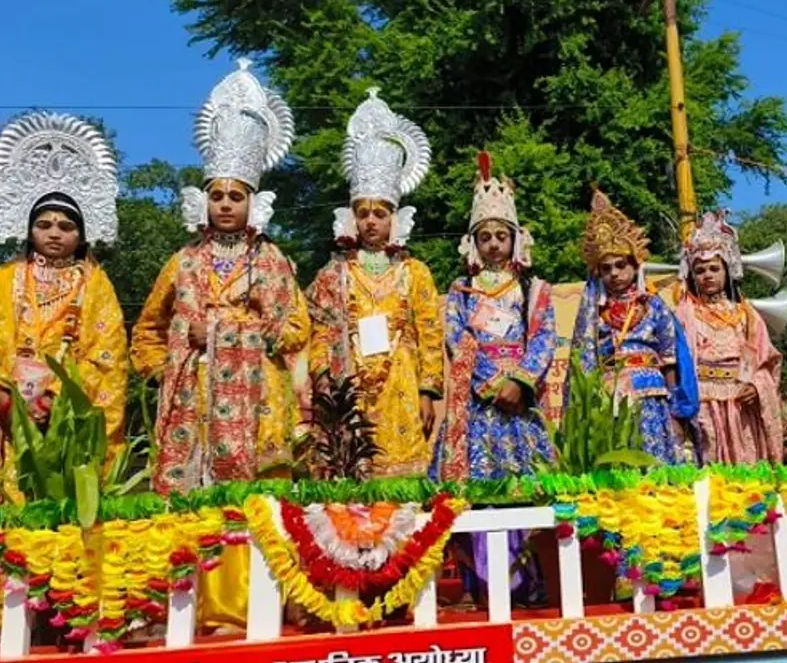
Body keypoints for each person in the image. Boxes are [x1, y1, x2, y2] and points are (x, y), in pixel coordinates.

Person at [131, 59, 310, 494]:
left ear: (253, 203)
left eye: (235, 196)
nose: (226, 204)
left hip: (258, 401)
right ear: (203, 201)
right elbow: (147, 333)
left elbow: (297, 329)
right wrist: (171, 371)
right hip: (193, 403)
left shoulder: (272, 260)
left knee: (259, 514)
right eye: (217, 196)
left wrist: (217, 332)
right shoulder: (183, 262)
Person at [0, 112, 127, 507]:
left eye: (66, 226)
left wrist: (56, 399)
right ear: (29, 228)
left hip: (66, 424)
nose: (54, 233)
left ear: (81, 234)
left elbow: (108, 357)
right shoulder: (1, 281)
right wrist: (3, 396)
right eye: (44, 224)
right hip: (3, 417)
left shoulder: (95, 287)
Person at [430, 152, 558, 608]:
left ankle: (524, 586)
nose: (494, 245)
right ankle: (477, 587)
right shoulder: (461, 292)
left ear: (515, 240)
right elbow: (455, 337)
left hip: (519, 407)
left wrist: (520, 382)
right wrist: (489, 383)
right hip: (478, 407)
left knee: (520, 493)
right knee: (476, 495)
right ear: (473, 243)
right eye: (485, 237)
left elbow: (544, 337)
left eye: (502, 236)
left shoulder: (531, 290)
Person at [305, 88, 443, 478]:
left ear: (394, 218)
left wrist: (427, 392)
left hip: (400, 380)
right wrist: (325, 377)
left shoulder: (415, 271)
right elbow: (314, 328)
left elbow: (431, 333)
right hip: (349, 384)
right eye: (363, 212)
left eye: (379, 213)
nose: (370, 221)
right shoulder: (333, 273)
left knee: (400, 481)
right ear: (351, 218)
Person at [569, 190, 698, 465]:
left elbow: (669, 358)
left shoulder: (654, 305)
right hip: (610, 398)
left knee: (656, 466)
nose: (614, 273)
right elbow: (584, 360)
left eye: (620, 265)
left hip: (652, 394)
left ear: (635, 265)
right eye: (606, 268)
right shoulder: (594, 312)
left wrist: (676, 407)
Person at [673, 210, 783, 465]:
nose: (708, 275)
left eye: (714, 268)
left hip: (740, 404)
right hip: (702, 404)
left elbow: (768, 362)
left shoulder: (746, 315)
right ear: (692, 275)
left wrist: (757, 386)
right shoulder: (682, 314)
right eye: (700, 270)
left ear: (727, 270)